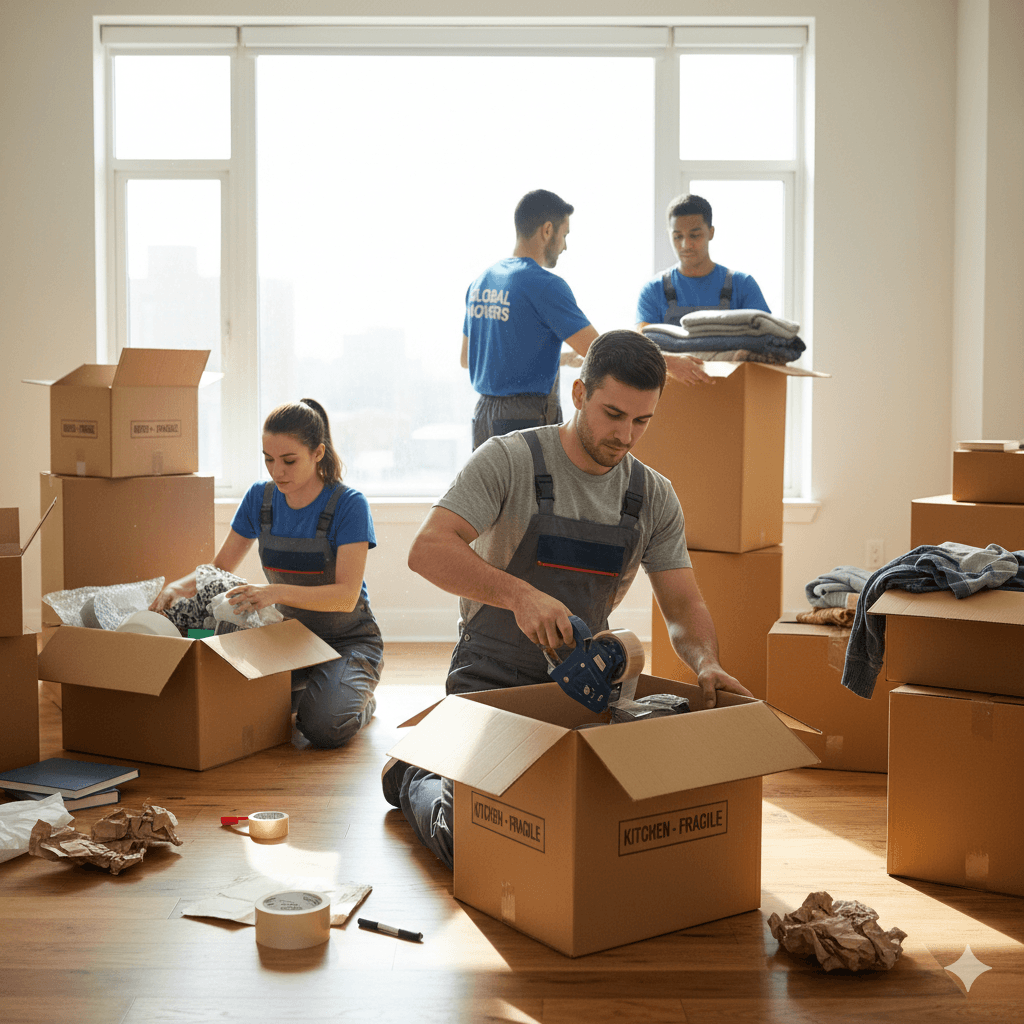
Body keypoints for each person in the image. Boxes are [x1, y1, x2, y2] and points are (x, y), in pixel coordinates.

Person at [384, 329, 751, 869]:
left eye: (642, 420)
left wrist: (707, 662)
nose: (626, 434)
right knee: (476, 836)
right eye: (613, 414)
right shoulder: (508, 460)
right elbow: (427, 551)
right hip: (490, 674)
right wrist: (519, 595)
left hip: (580, 686)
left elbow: (683, 604)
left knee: (602, 830)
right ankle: (418, 765)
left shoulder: (653, 496)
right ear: (579, 394)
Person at [151, 399, 383, 750]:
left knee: (322, 727)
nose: (277, 471)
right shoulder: (260, 499)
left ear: (318, 452)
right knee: (224, 704)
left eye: (289, 461)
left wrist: (274, 593)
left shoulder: (349, 505)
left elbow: (345, 595)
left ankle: (359, 700)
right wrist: (177, 586)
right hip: (287, 638)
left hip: (348, 641)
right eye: (268, 459)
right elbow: (220, 568)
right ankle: (317, 689)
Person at [461, 189, 598, 450]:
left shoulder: (481, 281)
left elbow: (468, 359)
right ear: (548, 230)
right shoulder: (545, 285)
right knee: (531, 491)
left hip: (483, 416)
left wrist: (557, 359)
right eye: (565, 235)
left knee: (491, 491)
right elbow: (601, 352)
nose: (565, 246)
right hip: (526, 419)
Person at [636, 193, 771, 385]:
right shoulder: (654, 290)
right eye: (677, 237)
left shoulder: (742, 285)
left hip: (731, 395)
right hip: (673, 400)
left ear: (711, 232)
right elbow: (640, 346)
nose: (685, 245)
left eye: (694, 235)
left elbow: (766, 341)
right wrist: (669, 362)